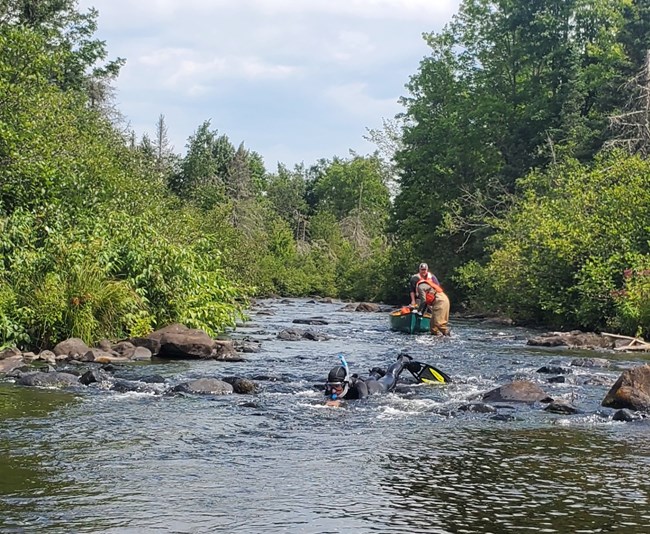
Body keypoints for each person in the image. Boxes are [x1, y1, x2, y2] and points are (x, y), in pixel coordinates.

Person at [324, 353, 414, 405]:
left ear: (345, 383)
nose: (333, 391)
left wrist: (342, 404)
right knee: (372, 377)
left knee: (391, 375)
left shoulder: (359, 386)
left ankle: (402, 360)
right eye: (330, 386)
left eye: (337, 386)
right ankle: (375, 373)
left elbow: (363, 404)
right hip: (368, 381)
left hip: (373, 387)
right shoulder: (331, 388)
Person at [409, 262, 451, 336]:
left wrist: (418, 311)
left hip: (440, 301)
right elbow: (426, 301)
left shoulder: (420, 287)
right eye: (422, 270)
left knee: (439, 323)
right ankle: (437, 339)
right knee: (433, 328)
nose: (423, 271)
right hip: (440, 300)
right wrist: (421, 312)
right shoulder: (425, 284)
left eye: (424, 270)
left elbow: (424, 301)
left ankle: (448, 337)